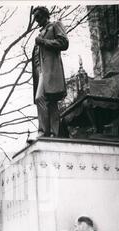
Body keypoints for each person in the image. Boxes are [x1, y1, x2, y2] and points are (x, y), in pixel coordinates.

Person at [32, 6, 69, 137]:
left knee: (43, 99)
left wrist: (43, 41)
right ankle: (51, 132)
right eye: (35, 18)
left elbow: (64, 43)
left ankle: (46, 132)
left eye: (39, 17)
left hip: (52, 71)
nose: (37, 20)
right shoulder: (40, 32)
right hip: (42, 72)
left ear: (46, 15)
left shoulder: (55, 25)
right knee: (45, 100)